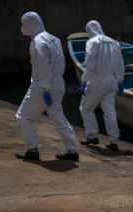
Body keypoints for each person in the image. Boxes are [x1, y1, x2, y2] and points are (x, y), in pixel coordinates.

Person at [15, 11, 78, 161]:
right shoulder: (53, 39)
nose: (23, 27)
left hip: (44, 85)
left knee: (23, 116)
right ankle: (72, 149)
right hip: (58, 83)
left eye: (24, 24)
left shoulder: (38, 42)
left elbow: (43, 66)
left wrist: (44, 88)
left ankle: (32, 149)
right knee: (57, 116)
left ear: (31, 24)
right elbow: (60, 61)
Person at [79, 20, 125, 151]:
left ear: (89, 30)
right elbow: (121, 64)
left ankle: (92, 136)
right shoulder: (114, 42)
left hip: (97, 79)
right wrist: (120, 81)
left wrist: (84, 80)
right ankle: (113, 141)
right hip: (112, 80)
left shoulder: (92, 42)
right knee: (109, 111)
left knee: (86, 108)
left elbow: (90, 65)